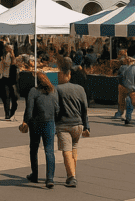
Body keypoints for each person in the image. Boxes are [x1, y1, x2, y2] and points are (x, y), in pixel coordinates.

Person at [56, 57, 90, 187]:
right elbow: (84, 110)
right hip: (78, 124)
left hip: (64, 125)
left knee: (66, 150)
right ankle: (72, 173)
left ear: (62, 74)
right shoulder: (80, 89)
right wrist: (87, 127)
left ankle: (71, 177)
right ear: (69, 74)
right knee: (74, 149)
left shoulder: (57, 89)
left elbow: (55, 109)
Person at [22, 71, 59, 189]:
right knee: (49, 150)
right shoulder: (53, 90)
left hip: (36, 123)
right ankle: (50, 179)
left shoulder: (34, 91)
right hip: (50, 122)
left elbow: (29, 108)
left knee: (34, 148)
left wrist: (26, 121)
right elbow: (57, 108)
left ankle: (35, 174)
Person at [0, 43, 18, 120]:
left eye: (9, 47)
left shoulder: (12, 55)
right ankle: (7, 113)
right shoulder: (4, 55)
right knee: (6, 96)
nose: (7, 49)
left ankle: (12, 111)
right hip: (4, 77)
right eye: (6, 47)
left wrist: (11, 52)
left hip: (11, 78)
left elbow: (13, 63)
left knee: (14, 97)